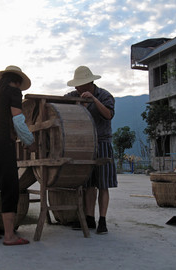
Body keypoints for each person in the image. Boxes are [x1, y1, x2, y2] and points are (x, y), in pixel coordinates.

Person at [0, 65, 36, 245]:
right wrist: (30, 142)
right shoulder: (14, 92)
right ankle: (10, 236)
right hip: (3, 143)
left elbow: (0, 119)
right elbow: (18, 120)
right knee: (10, 187)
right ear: (17, 81)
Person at [65, 66, 117, 234]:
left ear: (88, 84)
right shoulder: (74, 95)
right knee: (88, 184)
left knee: (103, 184)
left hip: (102, 142)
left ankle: (102, 220)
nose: (76, 88)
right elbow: (60, 103)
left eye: (79, 85)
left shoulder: (105, 95)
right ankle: (89, 219)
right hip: (85, 144)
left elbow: (108, 115)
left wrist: (93, 100)